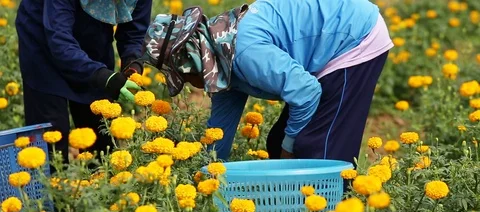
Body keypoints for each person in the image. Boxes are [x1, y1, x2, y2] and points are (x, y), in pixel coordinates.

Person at [139, 0, 393, 168]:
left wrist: (289, 152)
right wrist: (208, 172)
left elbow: (306, 92)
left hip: (353, 38)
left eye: (183, 77)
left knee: (317, 152)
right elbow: (220, 129)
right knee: (278, 142)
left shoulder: (245, 52)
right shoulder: (222, 56)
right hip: (330, 42)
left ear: (192, 62)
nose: (190, 86)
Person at [15, 0, 152, 164]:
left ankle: (99, 185)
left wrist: (133, 62)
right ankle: (51, 187)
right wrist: (101, 76)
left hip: (94, 37)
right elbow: (59, 40)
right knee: (51, 139)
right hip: (42, 36)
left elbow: (134, 32)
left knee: (100, 137)